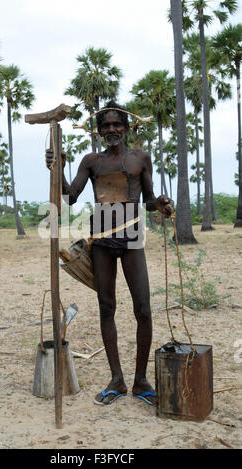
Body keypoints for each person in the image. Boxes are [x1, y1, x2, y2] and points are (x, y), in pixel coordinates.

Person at [46, 101, 173, 406]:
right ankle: (116, 379)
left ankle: (141, 380)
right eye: (106, 126)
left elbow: (148, 198)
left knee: (142, 308)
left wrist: (161, 204)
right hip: (101, 238)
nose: (112, 129)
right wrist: (58, 169)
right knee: (107, 308)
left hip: (131, 236)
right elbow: (71, 196)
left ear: (126, 129)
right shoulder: (91, 162)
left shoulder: (140, 158)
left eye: (117, 124)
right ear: (99, 132)